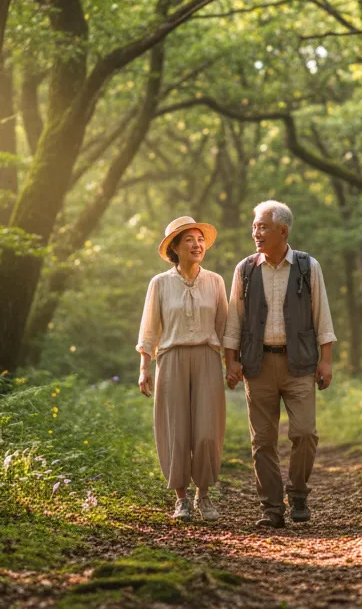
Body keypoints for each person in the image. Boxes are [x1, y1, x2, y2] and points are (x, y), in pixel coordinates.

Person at [223, 200, 336, 528]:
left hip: (298, 363)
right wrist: (231, 361)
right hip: (257, 366)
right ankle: (271, 508)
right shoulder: (244, 269)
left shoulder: (306, 266)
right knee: (263, 441)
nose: (255, 232)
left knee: (305, 434)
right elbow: (235, 319)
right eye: (255, 226)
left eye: (263, 227)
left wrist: (326, 361)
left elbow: (322, 315)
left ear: (283, 231)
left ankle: (298, 491)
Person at [136, 216, 229, 522]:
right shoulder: (160, 283)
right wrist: (144, 368)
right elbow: (149, 328)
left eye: (200, 239)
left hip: (207, 357)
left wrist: (232, 363)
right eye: (189, 239)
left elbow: (225, 327)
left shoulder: (215, 281)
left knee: (206, 431)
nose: (197, 244)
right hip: (171, 358)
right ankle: (181, 499)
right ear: (175, 247)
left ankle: (203, 496)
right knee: (175, 430)